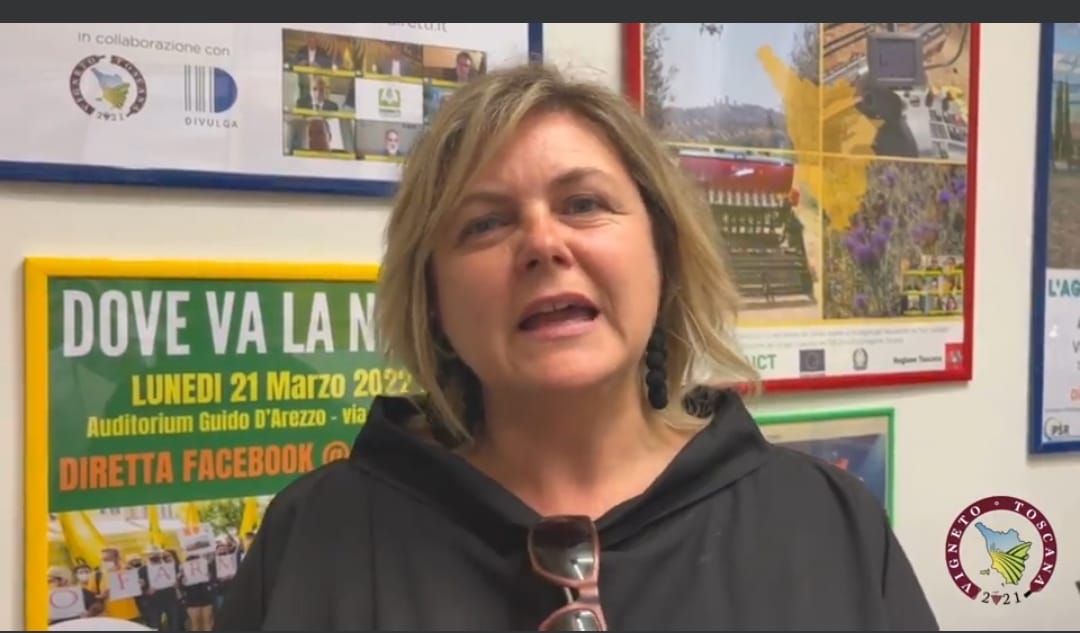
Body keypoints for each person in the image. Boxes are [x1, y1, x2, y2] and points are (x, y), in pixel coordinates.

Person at [216, 62, 938, 631]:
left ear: (663, 250)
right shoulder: (315, 537)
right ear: (431, 295)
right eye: (485, 223)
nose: (542, 243)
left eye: (584, 204)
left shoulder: (827, 523)